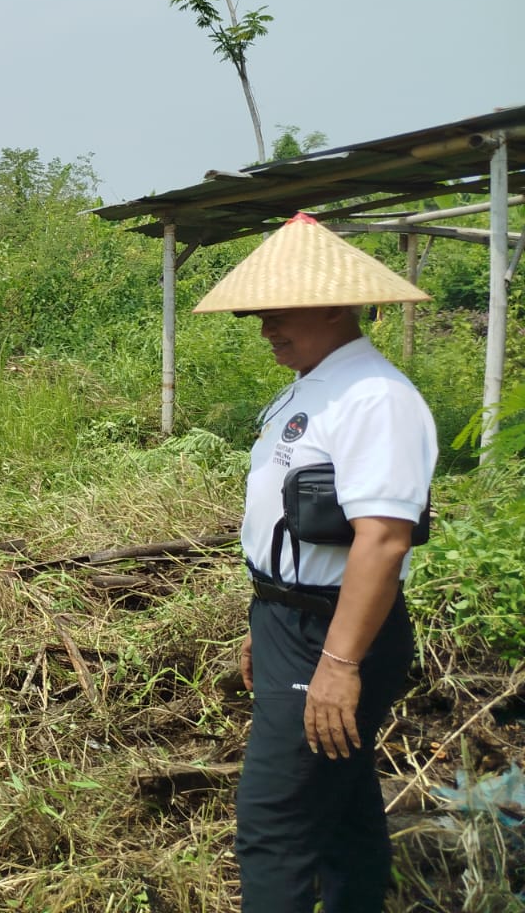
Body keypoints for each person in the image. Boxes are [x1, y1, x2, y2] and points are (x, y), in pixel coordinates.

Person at [192, 212, 436, 912]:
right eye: (259, 312)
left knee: (275, 824)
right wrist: (267, 615)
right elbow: (291, 522)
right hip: (290, 623)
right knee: (344, 811)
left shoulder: (376, 399)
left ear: (334, 302)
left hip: (332, 637)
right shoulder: (311, 388)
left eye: (279, 310)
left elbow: (383, 540)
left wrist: (337, 662)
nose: (266, 326)